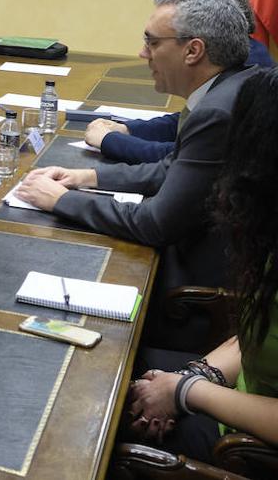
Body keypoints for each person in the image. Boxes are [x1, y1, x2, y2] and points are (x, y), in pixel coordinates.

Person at [15, 0, 257, 344]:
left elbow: (156, 224)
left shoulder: (218, 111)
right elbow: (172, 168)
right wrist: (88, 176)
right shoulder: (229, 89)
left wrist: (61, 201)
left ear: (193, 50)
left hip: (200, 296)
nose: (142, 53)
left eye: (153, 42)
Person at [123, 66, 278, 461]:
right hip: (231, 393)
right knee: (114, 362)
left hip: (249, 447)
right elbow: (256, 333)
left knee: (90, 404)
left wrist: (185, 392)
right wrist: (193, 377)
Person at [83, 0, 272, 164]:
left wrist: (110, 140)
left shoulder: (245, 77)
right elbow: (188, 122)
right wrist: (128, 130)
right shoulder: (235, 61)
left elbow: (179, 158)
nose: (143, 52)